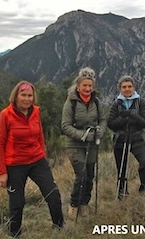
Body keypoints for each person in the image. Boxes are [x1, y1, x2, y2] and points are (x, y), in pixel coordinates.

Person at [0, 81, 64, 237]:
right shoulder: (6, 114)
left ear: (34, 97)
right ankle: (15, 233)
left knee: (53, 194)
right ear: (16, 96)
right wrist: (2, 172)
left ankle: (59, 228)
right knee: (17, 203)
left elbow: (39, 134)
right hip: (15, 164)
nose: (27, 99)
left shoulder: (36, 112)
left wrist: (42, 153)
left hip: (37, 160)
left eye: (30, 96)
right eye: (23, 95)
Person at [61, 67, 106, 219]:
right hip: (74, 144)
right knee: (81, 175)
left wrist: (101, 131)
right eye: (84, 85)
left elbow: (102, 119)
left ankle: (84, 204)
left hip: (92, 143)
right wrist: (81, 135)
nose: (87, 88)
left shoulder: (97, 102)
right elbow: (65, 125)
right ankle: (74, 204)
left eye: (90, 86)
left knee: (90, 175)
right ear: (78, 86)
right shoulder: (71, 102)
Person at [107, 75, 145, 199]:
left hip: (137, 139)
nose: (127, 89)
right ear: (120, 89)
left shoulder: (140, 102)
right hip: (120, 140)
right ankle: (122, 195)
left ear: (134, 87)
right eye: (124, 87)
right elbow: (110, 124)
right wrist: (125, 118)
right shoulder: (116, 104)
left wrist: (132, 115)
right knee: (121, 170)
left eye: (129, 86)